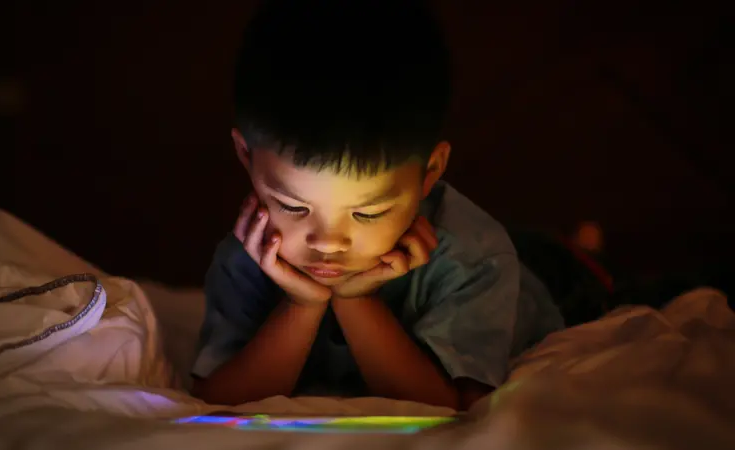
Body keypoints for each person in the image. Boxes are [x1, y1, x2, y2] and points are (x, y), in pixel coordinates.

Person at [190, 0, 564, 410]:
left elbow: (452, 407)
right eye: (293, 207)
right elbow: (216, 400)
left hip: (553, 276)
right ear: (246, 155)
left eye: (368, 212)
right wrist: (303, 306)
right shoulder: (252, 251)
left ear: (430, 171)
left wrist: (355, 301)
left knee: (576, 270)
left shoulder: (476, 258)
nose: (329, 243)